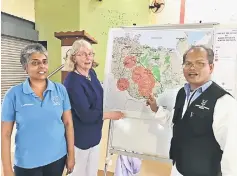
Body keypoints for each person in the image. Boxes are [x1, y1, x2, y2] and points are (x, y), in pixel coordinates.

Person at [146, 45, 237, 176]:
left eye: (200, 63)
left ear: (210, 67)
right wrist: (156, 109)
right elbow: (178, 121)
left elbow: (232, 150)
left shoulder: (223, 102)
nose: (192, 68)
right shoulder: (182, 93)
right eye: (188, 63)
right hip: (178, 169)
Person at [1, 43, 75, 176]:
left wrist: (71, 155)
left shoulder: (60, 90)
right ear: (25, 68)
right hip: (27, 163)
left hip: (57, 158)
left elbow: (68, 124)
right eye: (35, 63)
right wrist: (6, 169)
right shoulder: (13, 95)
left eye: (44, 62)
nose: (42, 66)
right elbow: (5, 134)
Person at [63, 39, 124, 176]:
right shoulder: (72, 82)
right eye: (83, 54)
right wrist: (110, 114)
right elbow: (86, 115)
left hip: (95, 136)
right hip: (80, 140)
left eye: (90, 54)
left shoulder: (92, 74)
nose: (88, 57)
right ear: (74, 57)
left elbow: (100, 97)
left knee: (91, 173)